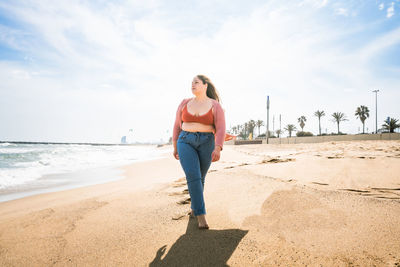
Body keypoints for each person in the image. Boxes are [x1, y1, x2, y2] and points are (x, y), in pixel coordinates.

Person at [172, 75, 226, 230]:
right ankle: (201, 215)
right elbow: (177, 126)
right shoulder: (184, 103)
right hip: (185, 141)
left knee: (200, 177)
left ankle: (194, 207)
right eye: (191, 83)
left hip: (207, 142)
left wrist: (218, 147)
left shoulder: (215, 106)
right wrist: (175, 147)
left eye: (196, 82)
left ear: (205, 86)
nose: (193, 85)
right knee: (192, 175)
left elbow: (221, 127)